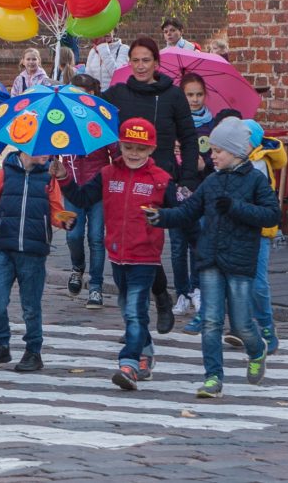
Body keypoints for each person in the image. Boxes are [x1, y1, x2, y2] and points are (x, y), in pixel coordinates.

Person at [146, 117, 279, 398]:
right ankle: (213, 377)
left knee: (242, 323)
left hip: (241, 261)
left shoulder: (255, 179)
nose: (213, 155)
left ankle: (256, 351)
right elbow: (188, 211)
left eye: (219, 150)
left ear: (237, 152)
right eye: (213, 150)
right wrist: (162, 217)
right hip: (210, 260)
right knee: (211, 321)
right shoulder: (211, 182)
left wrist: (236, 207)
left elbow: (271, 214)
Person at [52, 118, 187, 391]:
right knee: (128, 310)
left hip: (145, 257)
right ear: (120, 147)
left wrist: (163, 217)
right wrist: (64, 177)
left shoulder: (160, 180)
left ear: (150, 150)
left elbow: (180, 214)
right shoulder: (107, 173)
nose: (134, 153)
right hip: (117, 255)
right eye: (128, 147)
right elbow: (81, 199)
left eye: (140, 148)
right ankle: (146, 352)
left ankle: (129, 364)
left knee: (135, 311)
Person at [104, 36, 200, 335]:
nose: (141, 65)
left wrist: (186, 181)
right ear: (129, 63)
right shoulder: (118, 93)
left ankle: (176, 294)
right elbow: (96, 117)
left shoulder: (172, 96)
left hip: (162, 179)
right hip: (127, 176)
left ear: (156, 63)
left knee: (165, 242)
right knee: (139, 243)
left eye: (147, 60)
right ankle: (157, 298)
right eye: (136, 60)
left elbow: (188, 138)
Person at [0, 150, 76, 372]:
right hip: (4, 248)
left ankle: (33, 351)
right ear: (26, 147)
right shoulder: (3, 174)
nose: (49, 155)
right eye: (44, 149)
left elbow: (55, 211)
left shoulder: (49, 178)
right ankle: (1, 343)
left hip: (33, 252)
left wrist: (65, 221)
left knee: (31, 306)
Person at [222, 119, 286, 355]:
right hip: (235, 230)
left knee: (257, 283)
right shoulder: (230, 161)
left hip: (257, 231)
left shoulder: (258, 165)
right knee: (235, 281)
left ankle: (267, 327)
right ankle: (240, 326)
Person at [63, 74, 116, 308]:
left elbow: (115, 151)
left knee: (96, 237)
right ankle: (77, 268)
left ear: (94, 94)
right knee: (73, 235)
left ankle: (95, 286)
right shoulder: (63, 119)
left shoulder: (102, 119)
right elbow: (55, 148)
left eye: (85, 92)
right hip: (72, 186)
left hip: (97, 187)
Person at [173, 73, 215, 322]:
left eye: (199, 94)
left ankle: (196, 288)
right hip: (177, 189)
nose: (195, 99)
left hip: (200, 189)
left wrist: (204, 164)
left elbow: (216, 159)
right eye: (190, 95)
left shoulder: (210, 125)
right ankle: (181, 293)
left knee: (196, 241)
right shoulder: (174, 122)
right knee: (177, 245)